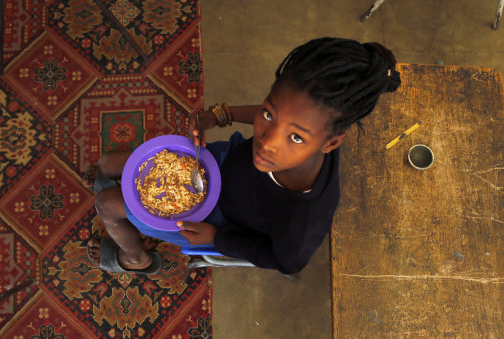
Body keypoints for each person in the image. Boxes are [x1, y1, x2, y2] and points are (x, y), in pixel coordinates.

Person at [85, 37, 401, 274]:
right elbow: (280, 116)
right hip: (224, 164)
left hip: (219, 221)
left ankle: (136, 259)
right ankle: (119, 186)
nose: (267, 143)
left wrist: (218, 238)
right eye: (268, 115)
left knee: (107, 203)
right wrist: (223, 114)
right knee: (108, 163)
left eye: (295, 137)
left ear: (331, 143)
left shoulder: (305, 219)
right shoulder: (299, 136)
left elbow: (284, 261)